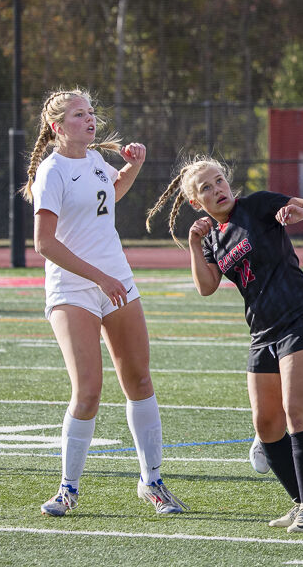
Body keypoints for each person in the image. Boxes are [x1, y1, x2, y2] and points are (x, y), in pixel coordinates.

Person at [21, 89, 186, 517]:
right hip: (74, 288)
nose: (90, 120)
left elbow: (111, 193)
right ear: (58, 127)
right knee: (88, 391)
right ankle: (67, 488)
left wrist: (134, 166)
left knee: (140, 382)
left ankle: (152, 481)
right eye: (79, 114)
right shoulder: (51, 171)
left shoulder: (94, 160)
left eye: (91, 112)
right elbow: (43, 243)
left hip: (116, 280)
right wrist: (99, 277)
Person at [145, 157, 303, 533]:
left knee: (295, 410)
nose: (218, 190)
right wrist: (195, 244)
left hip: (300, 318)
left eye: (220, 181)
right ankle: (300, 502)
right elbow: (206, 286)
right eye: (207, 189)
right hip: (262, 331)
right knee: (265, 424)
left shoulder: (258, 204)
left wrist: (299, 212)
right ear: (197, 203)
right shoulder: (211, 237)